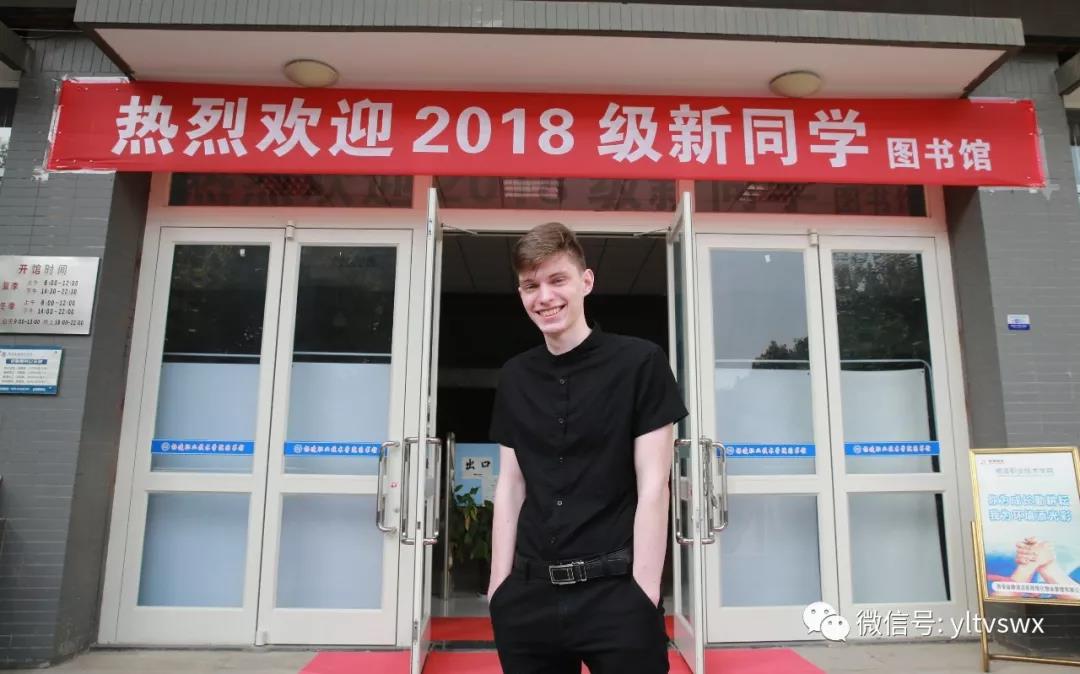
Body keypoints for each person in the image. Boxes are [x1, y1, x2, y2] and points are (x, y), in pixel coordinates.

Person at [486, 222, 687, 674]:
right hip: (529, 597)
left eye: (557, 280)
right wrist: (500, 585)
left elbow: (654, 485)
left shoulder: (641, 362)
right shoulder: (515, 376)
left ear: (586, 281)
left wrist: (645, 591)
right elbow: (511, 486)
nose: (545, 297)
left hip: (617, 593)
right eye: (531, 285)